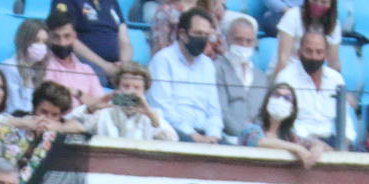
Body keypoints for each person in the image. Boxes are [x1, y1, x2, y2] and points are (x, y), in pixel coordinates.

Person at [148, 8, 224, 143]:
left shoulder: (208, 65)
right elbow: (162, 107)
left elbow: (214, 109)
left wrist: (213, 135)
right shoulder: (163, 60)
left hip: (205, 133)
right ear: (183, 34)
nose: (202, 39)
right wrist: (192, 135)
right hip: (174, 132)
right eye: (198, 33)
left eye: (206, 35)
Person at [275, 28, 355, 145]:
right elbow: (281, 123)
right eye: (309, 51)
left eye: (319, 52)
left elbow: (346, 123)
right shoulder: (286, 78)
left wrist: (343, 146)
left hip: (332, 143)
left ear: (326, 55)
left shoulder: (336, 79)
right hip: (298, 143)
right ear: (299, 52)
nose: (313, 57)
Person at [75, 62, 178, 139]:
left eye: (136, 88)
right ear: (117, 87)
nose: (130, 92)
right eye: (125, 86)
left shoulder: (153, 115)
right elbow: (71, 122)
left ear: (144, 91)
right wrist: (91, 108)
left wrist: (151, 116)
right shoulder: (103, 112)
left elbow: (172, 140)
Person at [239, 83, 330, 167]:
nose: (280, 100)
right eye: (276, 95)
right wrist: (297, 148)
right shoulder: (251, 127)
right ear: (267, 101)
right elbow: (259, 141)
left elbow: (317, 144)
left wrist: (317, 146)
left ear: (292, 109)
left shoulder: (290, 137)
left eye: (287, 98)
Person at [215, 17, 268, 140]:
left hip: (256, 140)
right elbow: (221, 111)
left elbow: (263, 114)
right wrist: (244, 136)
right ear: (227, 39)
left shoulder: (261, 77)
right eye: (239, 40)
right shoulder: (217, 68)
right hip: (227, 138)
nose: (244, 45)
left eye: (249, 41)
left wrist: (256, 136)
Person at [57, 0, 132, 83]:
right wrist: (106, 66)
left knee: (135, 78)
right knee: (97, 78)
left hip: (116, 65)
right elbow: (67, 38)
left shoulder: (112, 2)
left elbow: (124, 40)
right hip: (86, 62)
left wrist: (124, 66)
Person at [42, 9, 106, 106]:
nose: (62, 43)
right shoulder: (43, 65)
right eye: (56, 37)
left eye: (67, 36)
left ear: (74, 36)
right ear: (49, 38)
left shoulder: (86, 70)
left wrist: (77, 93)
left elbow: (101, 104)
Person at [273, 0, 342, 77]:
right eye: (314, 1)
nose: (318, 4)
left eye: (323, 2)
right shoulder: (292, 16)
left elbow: (334, 63)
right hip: (288, 72)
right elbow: (283, 60)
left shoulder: (334, 25)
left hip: (315, 74)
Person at [0, 18, 49, 115]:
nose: (41, 46)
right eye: (36, 40)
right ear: (24, 41)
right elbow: (14, 107)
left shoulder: (38, 71)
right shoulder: (9, 67)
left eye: (44, 42)